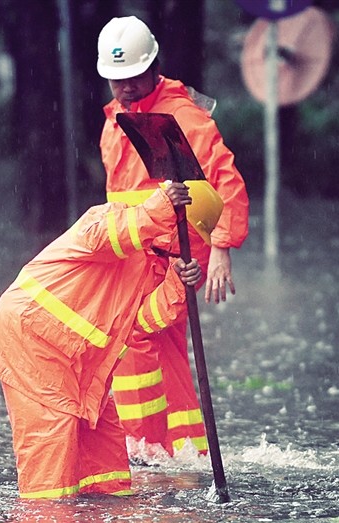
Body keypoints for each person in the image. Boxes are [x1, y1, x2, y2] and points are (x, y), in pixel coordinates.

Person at [0, 180, 223, 499]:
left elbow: (144, 322)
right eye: (188, 237)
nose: (187, 247)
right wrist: (158, 209)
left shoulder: (154, 265)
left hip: (81, 366)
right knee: (51, 470)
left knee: (107, 469)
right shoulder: (111, 217)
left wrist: (178, 284)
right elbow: (107, 237)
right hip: (34, 343)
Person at [96, 16, 250, 459]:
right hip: (137, 256)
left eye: (133, 77)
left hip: (177, 257)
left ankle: (141, 448)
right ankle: (185, 452)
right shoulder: (116, 120)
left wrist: (221, 249)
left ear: (153, 67)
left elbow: (226, 181)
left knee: (133, 333)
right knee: (164, 351)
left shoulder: (182, 116)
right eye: (115, 79)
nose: (124, 87)